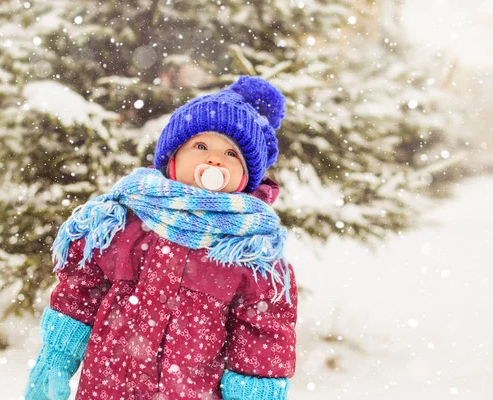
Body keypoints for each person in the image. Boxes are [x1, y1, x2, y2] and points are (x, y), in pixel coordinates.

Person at [24, 76, 298, 400]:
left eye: (231, 154)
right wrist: (56, 357)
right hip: (108, 390)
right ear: (172, 158)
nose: (214, 160)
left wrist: (254, 394)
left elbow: (262, 336)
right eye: (201, 146)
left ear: (246, 177)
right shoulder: (126, 221)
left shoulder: (250, 251)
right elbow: (81, 293)